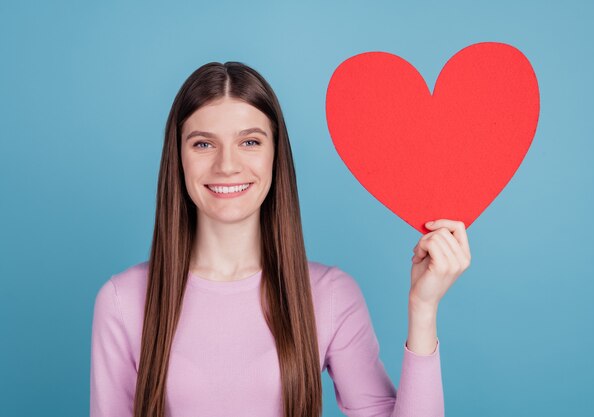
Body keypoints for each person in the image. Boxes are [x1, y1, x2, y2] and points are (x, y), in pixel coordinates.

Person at [89, 61, 471, 417]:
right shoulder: (123, 301)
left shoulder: (330, 294)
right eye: (203, 143)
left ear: (276, 154)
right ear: (178, 157)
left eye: (250, 142)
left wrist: (423, 309)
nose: (227, 165)